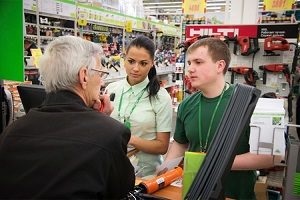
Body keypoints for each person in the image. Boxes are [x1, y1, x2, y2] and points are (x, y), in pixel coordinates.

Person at [0, 36, 135, 199]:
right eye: (101, 73)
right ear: (84, 76)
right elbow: (122, 189)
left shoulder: (10, 133)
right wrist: (102, 123)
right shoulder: (111, 133)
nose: (102, 82)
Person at [162, 38, 280, 199]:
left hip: (236, 195)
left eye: (198, 62)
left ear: (220, 66)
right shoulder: (186, 105)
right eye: (189, 63)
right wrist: (165, 171)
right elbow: (180, 144)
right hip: (196, 193)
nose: (190, 69)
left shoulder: (249, 102)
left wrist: (211, 163)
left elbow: (272, 158)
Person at [106, 35, 173, 177]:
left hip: (145, 175)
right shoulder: (111, 89)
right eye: (131, 61)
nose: (135, 68)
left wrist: (129, 138)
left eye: (143, 63)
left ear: (152, 64)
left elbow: (162, 146)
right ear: (124, 59)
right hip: (111, 170)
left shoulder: (160, 97)